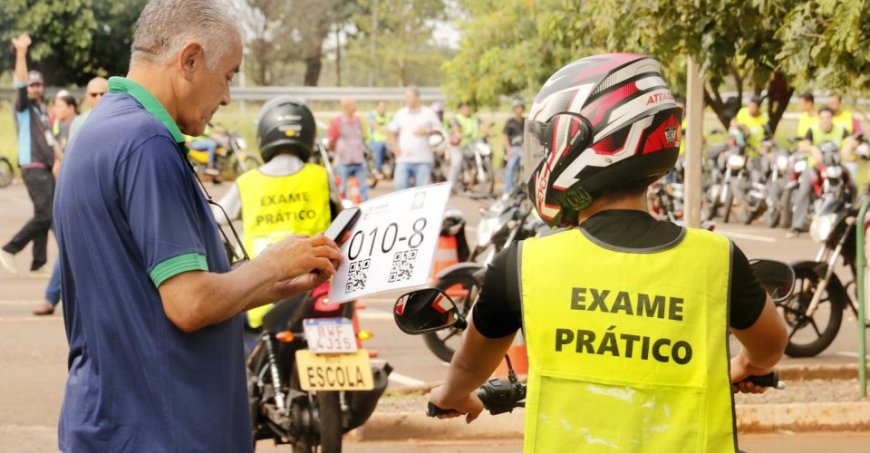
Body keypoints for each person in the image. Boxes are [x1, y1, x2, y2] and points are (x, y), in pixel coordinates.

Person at [426, 54, 788, 452]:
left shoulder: (522, 265)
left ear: (579, 142)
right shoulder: (717, 258)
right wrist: (742, 367)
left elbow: (468, 366)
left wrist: (451, 396)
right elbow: (769, 346)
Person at [53, 1, 342, 450]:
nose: (227, 96)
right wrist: (271, 263)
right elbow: (189, 304)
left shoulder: (102, 129)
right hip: (163, 429)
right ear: (189, 59)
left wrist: (283, 281)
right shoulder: (146, 143)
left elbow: (147, 295)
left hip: (115, 422)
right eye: (227, 74)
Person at [215, 96, 341, 329]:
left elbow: (214, 220)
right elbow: (342, 218)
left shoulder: (247, 182)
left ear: (264, 134)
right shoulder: (321, 176)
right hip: (317, 290)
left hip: (261, 293)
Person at [34, 80, 108, 316]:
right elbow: (68, 157)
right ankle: (51, 297)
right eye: (94, 94)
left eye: (103, 94)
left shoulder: (121, 121)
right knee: (70, 247)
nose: (99, 98)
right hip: (83, 196)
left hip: (108, 198)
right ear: (86, 97)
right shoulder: (79, 123)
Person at [0, 34, 55, 277]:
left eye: (38, 84)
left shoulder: (42, 110)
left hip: (46, 166)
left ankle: (38, 262)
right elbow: (20, 83)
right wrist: (21, 53)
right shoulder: (23, 107)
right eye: (31, 85)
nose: (34, 88)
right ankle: (10, 249)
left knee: (43, 214)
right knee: (47, 214)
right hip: (32, 166)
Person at [788, 107, 858, 237]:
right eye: (823, 118)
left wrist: (850, 146)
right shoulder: (813, 130)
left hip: (835, 166)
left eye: (828, 118)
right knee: (804, 191)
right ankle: (796, 226)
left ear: (832, 118)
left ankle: (851, 221)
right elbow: (802, 145)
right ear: (819, 119)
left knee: (852, 185)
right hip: (815, 167)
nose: (826, 121)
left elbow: (851, 141)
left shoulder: (841, 129)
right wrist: (812, 148)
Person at [388, 87, 442, 190]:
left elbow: (439, 130)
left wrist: (427, 130)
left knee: (421, 193)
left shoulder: (428, 113)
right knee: (400, 190)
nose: (407, 99)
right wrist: (395, 148)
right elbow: (391, 131)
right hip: (403, 159)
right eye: (406, 97)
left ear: (417, 98)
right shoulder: (401, 113)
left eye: (409, 97)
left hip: (423, 160)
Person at [329, 97, 369, 200]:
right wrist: (336, 152)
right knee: (341, 190)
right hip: (343, 161)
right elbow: (331, 141)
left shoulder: (359, 120)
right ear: (346, 107)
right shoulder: (337, 122)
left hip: (358, 160)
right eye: (353, 104)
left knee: (363, 190)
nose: (355, 106)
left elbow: (363, 136)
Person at [447, 101, 484, 187]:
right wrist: (459, 134)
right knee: (457, 162)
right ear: (460, 110)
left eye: (468, 107)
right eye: (464, 108)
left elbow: (482, 127)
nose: (467, 109)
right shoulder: (456, 118)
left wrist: (491, 133)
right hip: (458, 145)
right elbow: (456, 129)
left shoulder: (475, 117)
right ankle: (450, 185)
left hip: (472, 144)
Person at [502, 98, 525, 195]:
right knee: (511, 166)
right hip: (514, 148)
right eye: (517, 107)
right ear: (514, 109)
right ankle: (507, 190)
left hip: (525, 149)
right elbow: (505, 137)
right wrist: (508, 149)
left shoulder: (526, 121)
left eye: (521, 107)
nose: (520, 109)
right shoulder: (510, 122)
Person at [367, 100, 390, 179]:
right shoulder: (372, 115)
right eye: (381, 106)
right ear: (377, 107)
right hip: (374, 141)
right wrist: (384, 131)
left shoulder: (388, 116)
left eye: (384, 107)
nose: (383, 108)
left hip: (387, 141)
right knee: (379, 146)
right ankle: (377, 168)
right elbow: (374, 126)